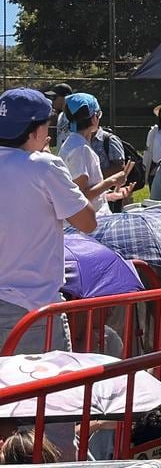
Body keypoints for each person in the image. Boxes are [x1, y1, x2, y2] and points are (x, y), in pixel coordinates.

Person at [0, 88, 97, 355]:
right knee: (41, 393)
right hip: (31, 309)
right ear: (34, 132)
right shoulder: (45, 167)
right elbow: (87, 221)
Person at [60, 93, 133, 217]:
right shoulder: (80, 149)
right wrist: (112, 181)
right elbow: (81, 196)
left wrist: (110, 196)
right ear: (94, 117)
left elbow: (87, 192)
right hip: (89, 226)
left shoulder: (74, 143)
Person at [42, 82, 73, 149]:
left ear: (65, 97)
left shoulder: (75, 115)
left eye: (54, 97)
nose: (52, 100)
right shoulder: (61, 115)